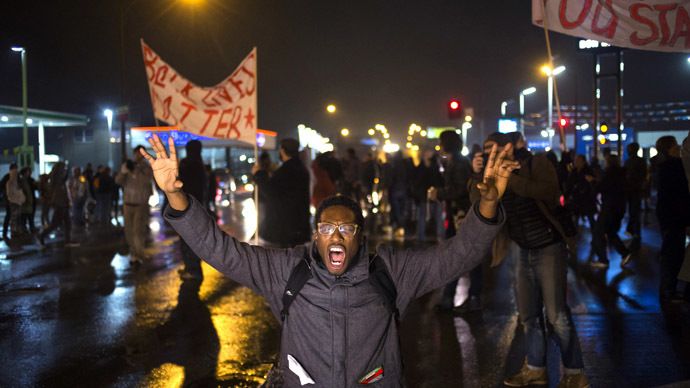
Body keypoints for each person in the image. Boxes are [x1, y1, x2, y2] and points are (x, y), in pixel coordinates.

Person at [140, 133, 516, 387]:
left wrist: (486, 206)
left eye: (346, 231)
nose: (335, 237)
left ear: (361, 238)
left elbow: (458, 255)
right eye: (326, 229)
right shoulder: (286, 271)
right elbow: (217, 248)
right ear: (315, 235)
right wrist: (176, 196)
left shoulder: (390, 273)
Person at [486, 133, 589, 388]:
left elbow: (549, 192)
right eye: (486, 150)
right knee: (528, 316)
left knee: (556, 316)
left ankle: (576, 373)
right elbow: (480, 202)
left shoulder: (537, 162)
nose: (489, 153)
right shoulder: (492, 172)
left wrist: (511, 179)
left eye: (493, 148)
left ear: (509, 146)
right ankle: (535, 369)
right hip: (520, 248)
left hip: (548, 246)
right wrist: (481, 177)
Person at [428, 130, 472, 312]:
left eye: (441, 141)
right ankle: (449, 297)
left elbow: (460, 189)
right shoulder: (455, 161)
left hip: (460, 215)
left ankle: (462, 297)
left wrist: (439, 193)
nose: (440, 145)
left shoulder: (459, 163)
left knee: (463, 257)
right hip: (455, 215)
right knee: (456, 257)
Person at [252, 138, 311, 248]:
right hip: (298, 226)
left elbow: (271, 192)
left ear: (283, 150)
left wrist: (258, 174)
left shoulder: (286, 171)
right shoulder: (301, 169)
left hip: (284, 228)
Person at [655, 136, 690, 302]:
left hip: (668, 216)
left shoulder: (663, 167)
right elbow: (680, 195)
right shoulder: (675, 167)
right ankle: (669, 290)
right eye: (675, 145)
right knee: (673, 254)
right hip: (675, 216)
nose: (678, 148)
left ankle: (667, 289)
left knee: (671, 252)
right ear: (669, 149)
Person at [591, 154, 632, 268]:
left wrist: (593, 181)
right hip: (619, 207)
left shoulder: (609, 174)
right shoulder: (622, 174)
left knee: (598, 232)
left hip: (609, 207)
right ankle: (624, 253)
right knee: (610, 232)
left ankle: (603, 259)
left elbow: (601, 187)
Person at [116, 146, 153, 265]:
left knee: (138, 230)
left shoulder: (146, 167)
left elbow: (147, 180)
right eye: (136, 153)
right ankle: (134, 252)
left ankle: (138, 254)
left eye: (140, 153)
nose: (138, 155)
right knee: (129, 231)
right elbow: (118, 181)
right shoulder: (128, 165)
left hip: (140, 204)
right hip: (128, 203)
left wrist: (136, 169)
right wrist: (123, 171)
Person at [177, 140, 208, 280]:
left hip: (186, 207)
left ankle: (192, 269)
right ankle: (192, 268)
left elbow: (180, 183)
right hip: (198, 207)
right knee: (194, 240)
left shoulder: (187, 164)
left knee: (187, 240)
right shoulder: (200, 165)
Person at [39, 162, 76, 247]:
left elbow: (64, 180)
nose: (65, 170)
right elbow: (59, 189)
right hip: (60, 204)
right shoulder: (56, 179)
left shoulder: (59, 178)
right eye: (64, 168)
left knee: (67, 223)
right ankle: (41, 236)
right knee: (55, 224)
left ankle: (68, 241)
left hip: (63, 203)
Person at [413, 148, 444, 242]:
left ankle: (440, 236)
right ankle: (420, 236)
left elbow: (439, 180)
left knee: (438, 215)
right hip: (423, 195)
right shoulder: (420, 167)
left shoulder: (436, 166)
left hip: (435, 194)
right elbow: (417, 181)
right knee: (422, 215)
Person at [564, 155, 597, 229]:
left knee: (589, 217)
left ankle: (596, 237)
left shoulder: (587, 171)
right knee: (577, 216)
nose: (575, 162)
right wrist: (566, 196)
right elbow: (570, 185)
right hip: (578, 198)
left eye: (578, 160)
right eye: (575, 160)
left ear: (583, 162)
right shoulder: (574, 171)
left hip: (586, 198)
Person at [624, 142, 647, 241]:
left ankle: (633, 230)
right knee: (634, 211)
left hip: (632, 189)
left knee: (633, 211)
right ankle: (635, 231)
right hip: (635, 189)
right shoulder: (641, 161)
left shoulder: (629, 161)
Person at [5, 164, 27, 247]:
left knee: (17, 217)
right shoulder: (10, 181)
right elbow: (11, 193)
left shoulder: (16, 181)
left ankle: (16, 231)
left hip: (17, 201)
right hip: (14, 202)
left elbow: (19, 191)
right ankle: (14, 231)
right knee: (14, 217)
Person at [19, 167, 37, 234]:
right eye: (27, 172)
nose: (29, 173)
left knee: (31, 216)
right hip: (25, 201)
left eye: (29, 172)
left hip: (31, 199)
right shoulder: (21, 181)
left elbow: (35, 187)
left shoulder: (31, 180)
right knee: (24, 216)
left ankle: (31, 228)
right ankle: (24, 229)